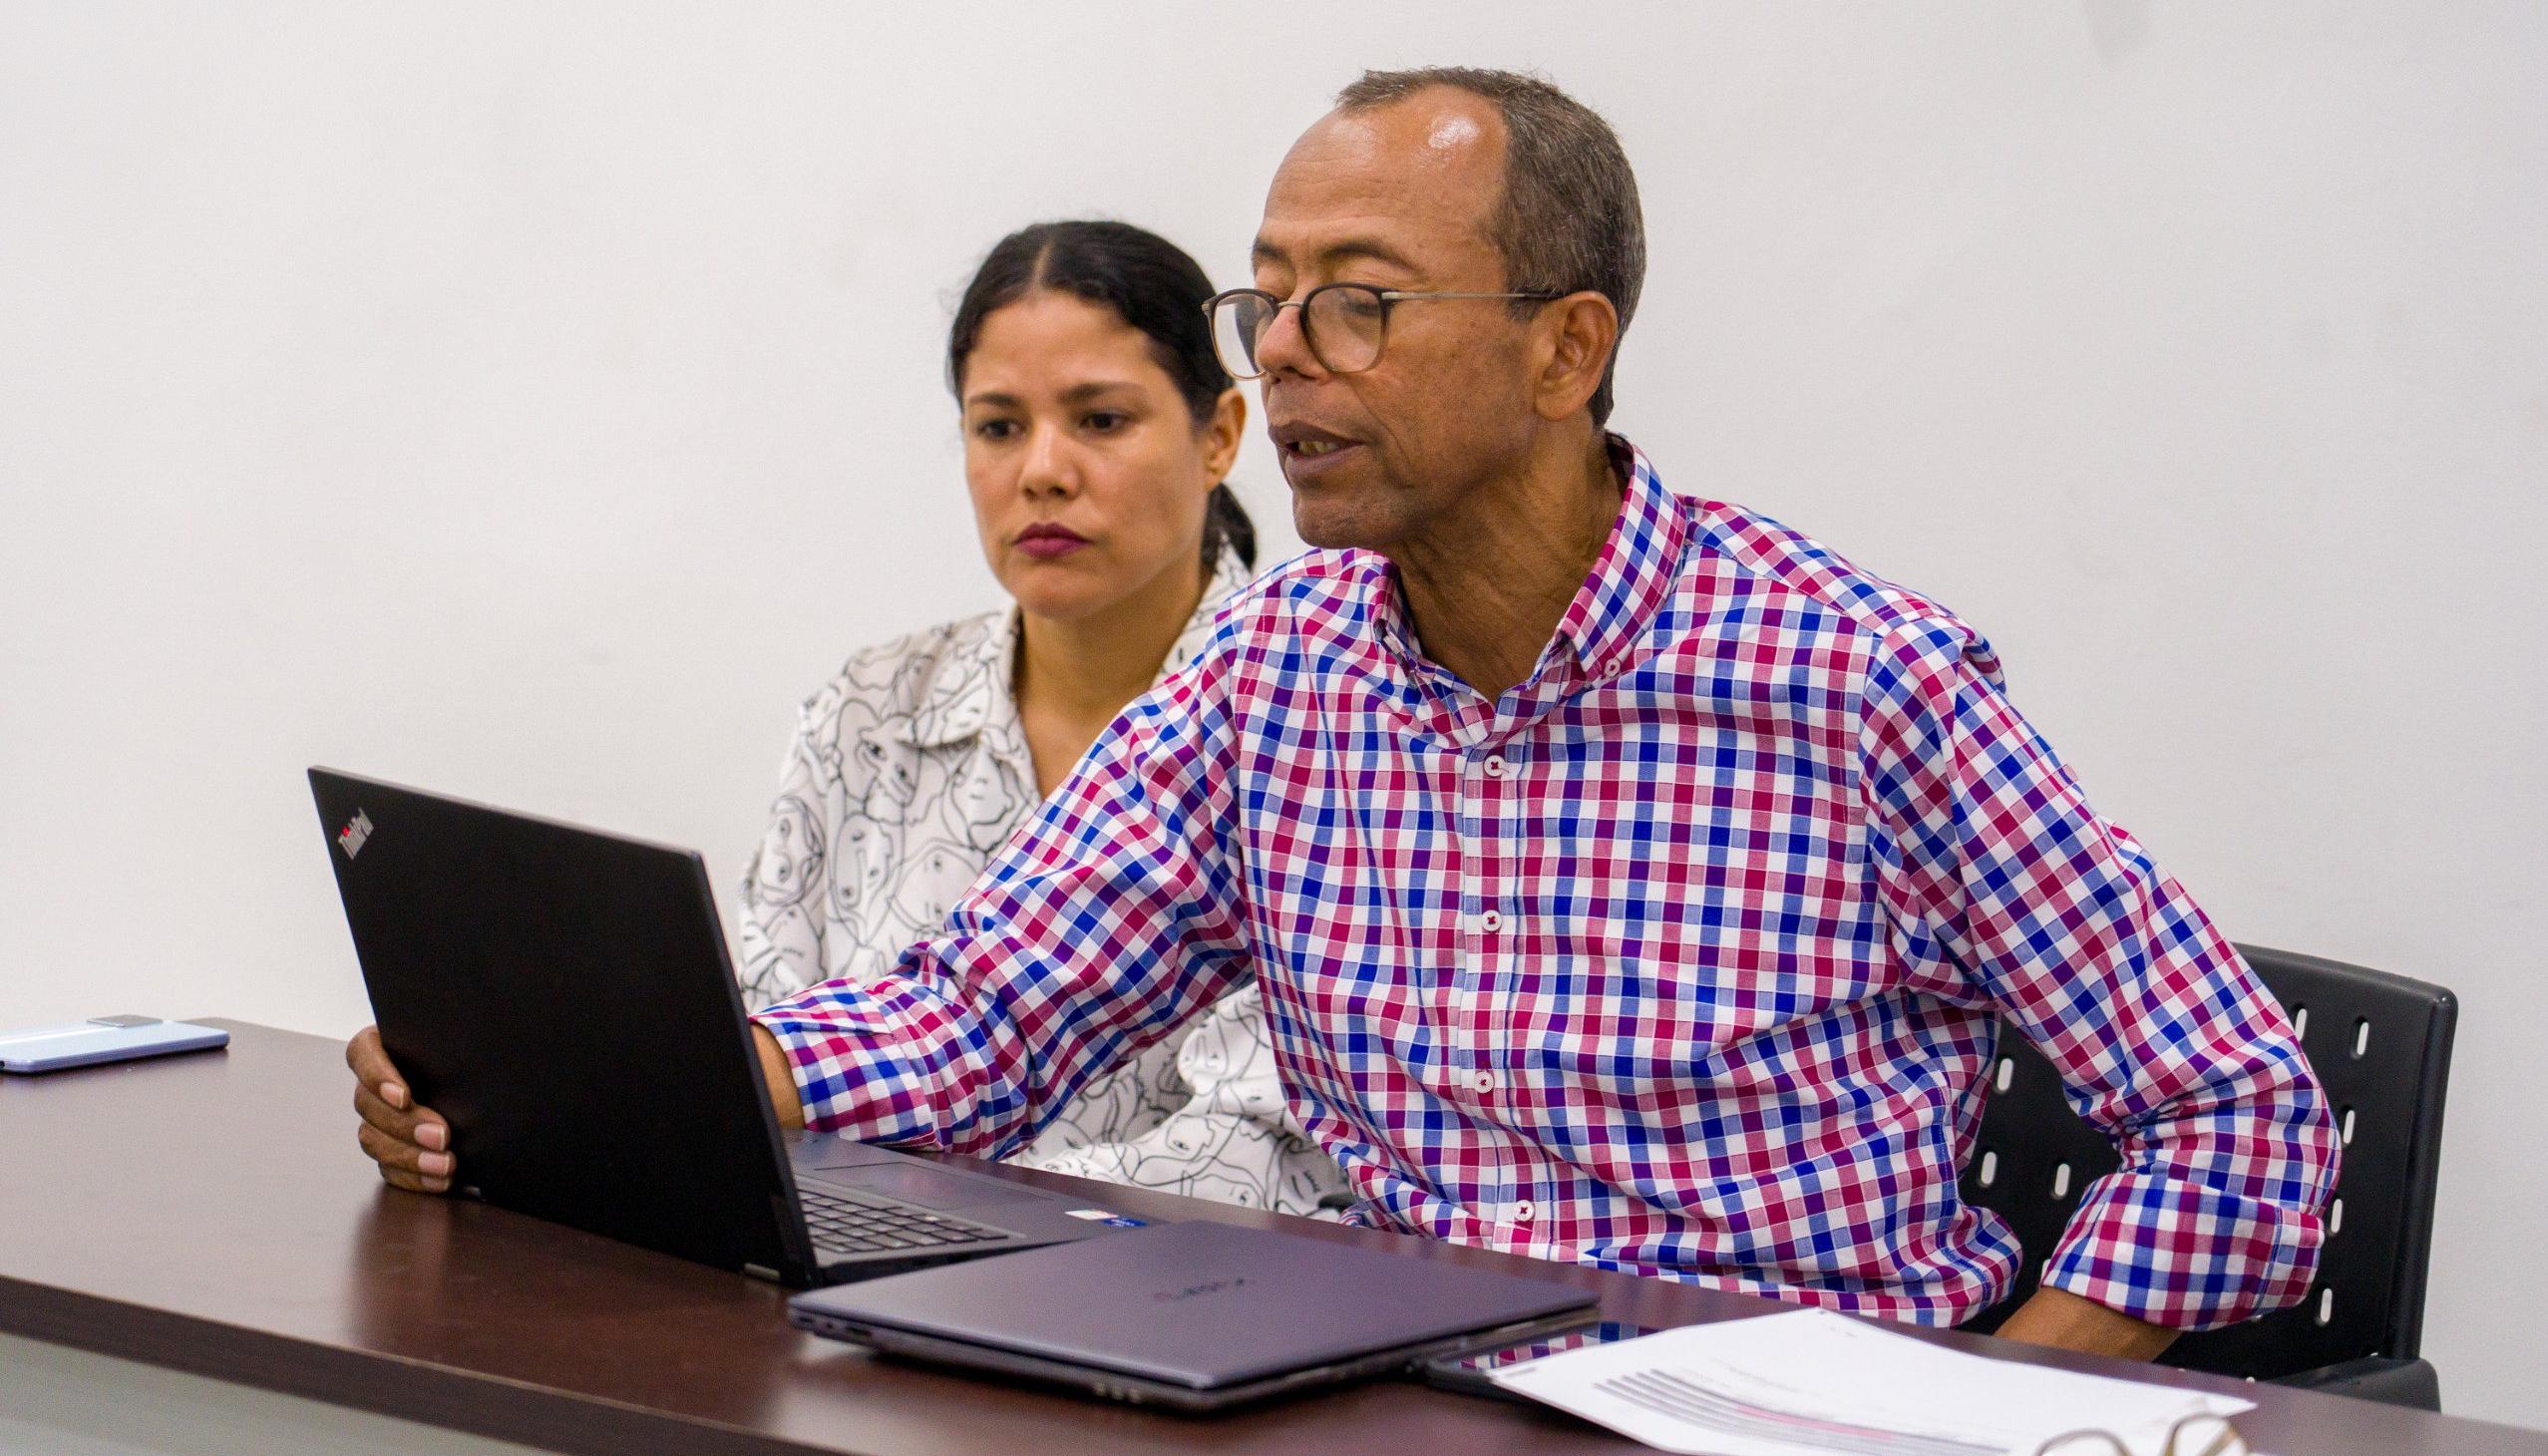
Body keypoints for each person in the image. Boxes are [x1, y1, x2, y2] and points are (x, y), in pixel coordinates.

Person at [364, 69, 2339, 1361]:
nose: (1289, 363)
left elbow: (2237, 1119)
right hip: (1383, 1400)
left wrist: (1981, 1413)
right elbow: (983, 1018)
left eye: (1360, 305)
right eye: (1266, 304)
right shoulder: (1273, 666)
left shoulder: (1850, 678)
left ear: (1567, 345)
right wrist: (602, 1073)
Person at [346, 219, 1348, 1217]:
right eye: (998, 426)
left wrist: (930, 1212)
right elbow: (770, 1041)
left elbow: (1267, 1155)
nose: (1042, 469)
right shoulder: (869, 709)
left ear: (1218, 433)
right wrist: (494, 1104)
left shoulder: (1303, 719)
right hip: (858, 1277)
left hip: (1177, 1300)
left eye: (1099, 420)